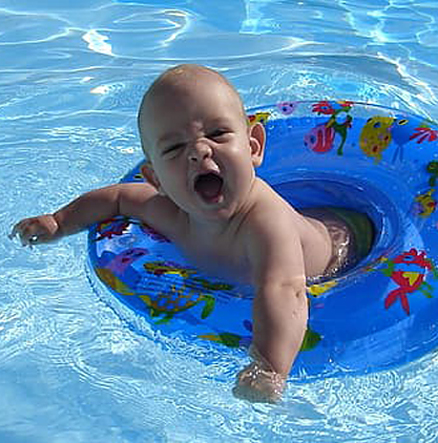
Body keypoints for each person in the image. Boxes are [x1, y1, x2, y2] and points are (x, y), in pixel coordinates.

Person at [10, 64, 373, 403]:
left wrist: (269, 368)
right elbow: (119, 199)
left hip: (346, 245)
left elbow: (284, 289)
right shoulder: (171, 213)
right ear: (155, 180)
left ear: (253, 147)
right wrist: (59, 222)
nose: (200, 151)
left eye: (217, 133)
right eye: (174, 147)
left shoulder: (265, 223)